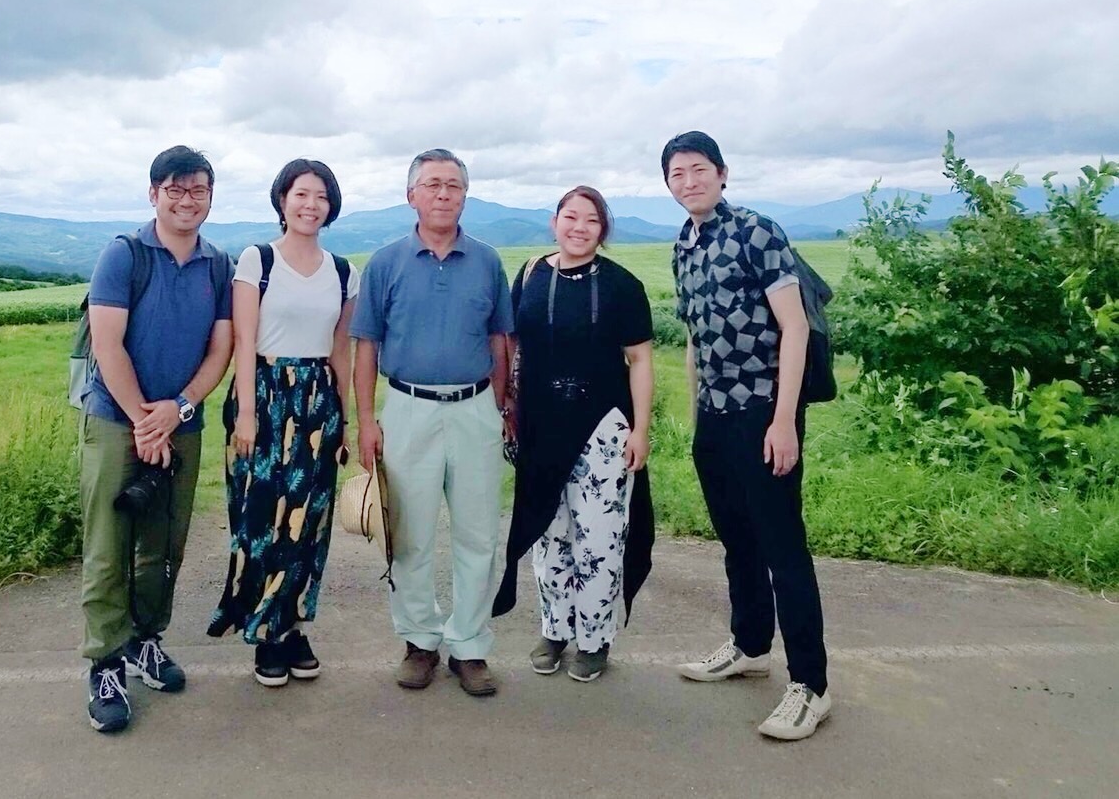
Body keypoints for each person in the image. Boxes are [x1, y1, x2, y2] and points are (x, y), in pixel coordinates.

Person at [663, 131, 831, 741]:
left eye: (698, 169)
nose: (689, 181)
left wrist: (784, 420)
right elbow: (692, 337)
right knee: (737, 540)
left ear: (722, 173)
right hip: (715, 416)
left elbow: (795, 328)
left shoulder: (757, 232)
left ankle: (811, 684)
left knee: (783, 546)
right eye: (677, 174)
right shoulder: (683, 246)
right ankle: (750, 645)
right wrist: (695, 415)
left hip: (764, 410)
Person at [79, 145, 234, 734]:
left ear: (211, 199)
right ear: (153, 194)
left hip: (183, 424)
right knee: (108, 546)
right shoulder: (124, 255)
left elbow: (219, 349)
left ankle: (147, 641)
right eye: (175, 189)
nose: (186, 199)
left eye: (198, 190)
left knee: (164, 546)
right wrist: (145, 420)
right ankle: (104, 663)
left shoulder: (217, 265)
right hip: (115, 424)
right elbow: (107, 343)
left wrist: (179, 409)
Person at [351, 148, 513, 698]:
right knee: (410, 535)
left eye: (454, 186)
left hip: (475, 409)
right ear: (411, 195)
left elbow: (500, 339)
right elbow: (366, 344)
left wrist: (501, 404)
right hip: (407, 408)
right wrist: (367, 419)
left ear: (465, 195)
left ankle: (469, 647)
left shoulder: (488, 261)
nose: (444, 194)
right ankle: (419, 640)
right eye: (433, 185)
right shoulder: (386, 262)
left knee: (478, 534)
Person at [492, 186, 655, 683]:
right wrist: (510, 404)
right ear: (554, 221)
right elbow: (513, 343)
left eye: (590, 220)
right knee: (549, 533)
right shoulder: (531, 274)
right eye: (570, 217)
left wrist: (641, 430)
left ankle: (595, 639)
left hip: (603, 427)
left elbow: (641, 359)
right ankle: (555, 629)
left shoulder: (623, 285)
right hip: (541, 425)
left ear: (602, 230)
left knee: (600, 537)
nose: (578, 227)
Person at [207, 159, 356, 687]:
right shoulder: (257, 260)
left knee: (308, 522)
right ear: (282, 200)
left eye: (320, 196)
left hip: (317, 404)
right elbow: (244, 342)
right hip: (265, 397)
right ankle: (263, 632)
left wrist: (347, 421)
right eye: (300, 194)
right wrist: (245, 414)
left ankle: (293, 625)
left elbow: (341, 350)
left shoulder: (343, 272)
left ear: (331, 205)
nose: (310, 204)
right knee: (261, 517)